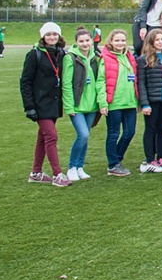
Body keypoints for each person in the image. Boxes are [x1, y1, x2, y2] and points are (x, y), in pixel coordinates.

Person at [22, 22, 69, 186]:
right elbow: (25, 82)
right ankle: (57, 175)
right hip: (39, 104)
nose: (52, 37)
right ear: (43, 37)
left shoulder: (62, 53)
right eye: (48, 34)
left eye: (54, 34)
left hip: (54, 103)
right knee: (51, 136)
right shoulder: (34, 54)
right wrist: (29, 107)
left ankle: (36, 173)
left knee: (42, 138)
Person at [63, 27, 107, 181]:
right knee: (83, 134)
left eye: (87, 40)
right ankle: (71, 167)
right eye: (81, 41)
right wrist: (69, 106)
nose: (84, 44)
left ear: (91, 40)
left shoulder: (96, 57)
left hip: (92, 106)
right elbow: (67, 84)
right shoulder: (70, 58)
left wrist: (101, 103)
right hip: (77, 106)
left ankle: (80, 167)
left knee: (86, 137)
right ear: (76, 42)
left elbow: (100, 81)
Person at [101, 29, 140, 176]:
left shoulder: (129, 57)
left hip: (129, 102)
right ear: (111, 41)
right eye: (117, 40)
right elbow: (101, 81)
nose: (120, 43)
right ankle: (113, 164)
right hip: (114, 103)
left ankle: (117, 158)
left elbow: (134, 79)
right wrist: (103, 102)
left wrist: (137, 99)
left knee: (130, 132)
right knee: (113, 133)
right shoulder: (105, 58)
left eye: (123, 40)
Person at [137, 28, 162, 174]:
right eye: (157, 40)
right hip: (153, 100)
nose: (160, 42)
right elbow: (141, 83)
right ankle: (149, 158)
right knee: (151, 129)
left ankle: (161, 156)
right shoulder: (144, 60)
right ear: (151, 42)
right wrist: (144, 103)